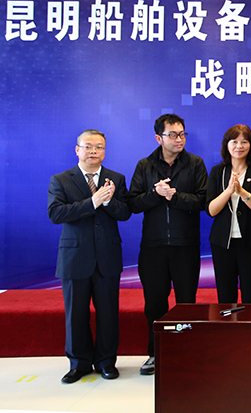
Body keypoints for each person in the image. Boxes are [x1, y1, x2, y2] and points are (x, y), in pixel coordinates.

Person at [47, 130, 131, 384]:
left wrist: (108, 202)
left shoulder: (116, 178)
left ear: (105, 151)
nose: (93, 151)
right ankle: (79, 363)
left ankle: (106, 362)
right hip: (75, 257)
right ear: (77, 150)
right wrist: (92, 202)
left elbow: (125, 212)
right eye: (88, 146)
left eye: (99, 147)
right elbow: (56, 214)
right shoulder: (61, 179)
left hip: (107, 257)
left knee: (108, 313)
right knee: (76, 314)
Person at [128, 114, 207, 376]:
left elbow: (203, 201)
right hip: (153, 246)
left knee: (186, 303)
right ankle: (156, 353)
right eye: (172, 135)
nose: (178, 139)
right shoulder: (145, 165)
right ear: (158, 138)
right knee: (154, 304)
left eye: (182, 134)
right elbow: (133, 203)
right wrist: (155, 194)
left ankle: (187, 350)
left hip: (186, 245)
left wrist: (175, 197)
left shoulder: (195, 163)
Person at [206, 125, 251, 304]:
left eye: (244, 142)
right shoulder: (217, 172)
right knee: (226, 295)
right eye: (234, 142)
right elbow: (211, 210)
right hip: (222, 242)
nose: (239, 146)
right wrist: (228, 191)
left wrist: (242, 192)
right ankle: (228, 323)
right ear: (227, 145)